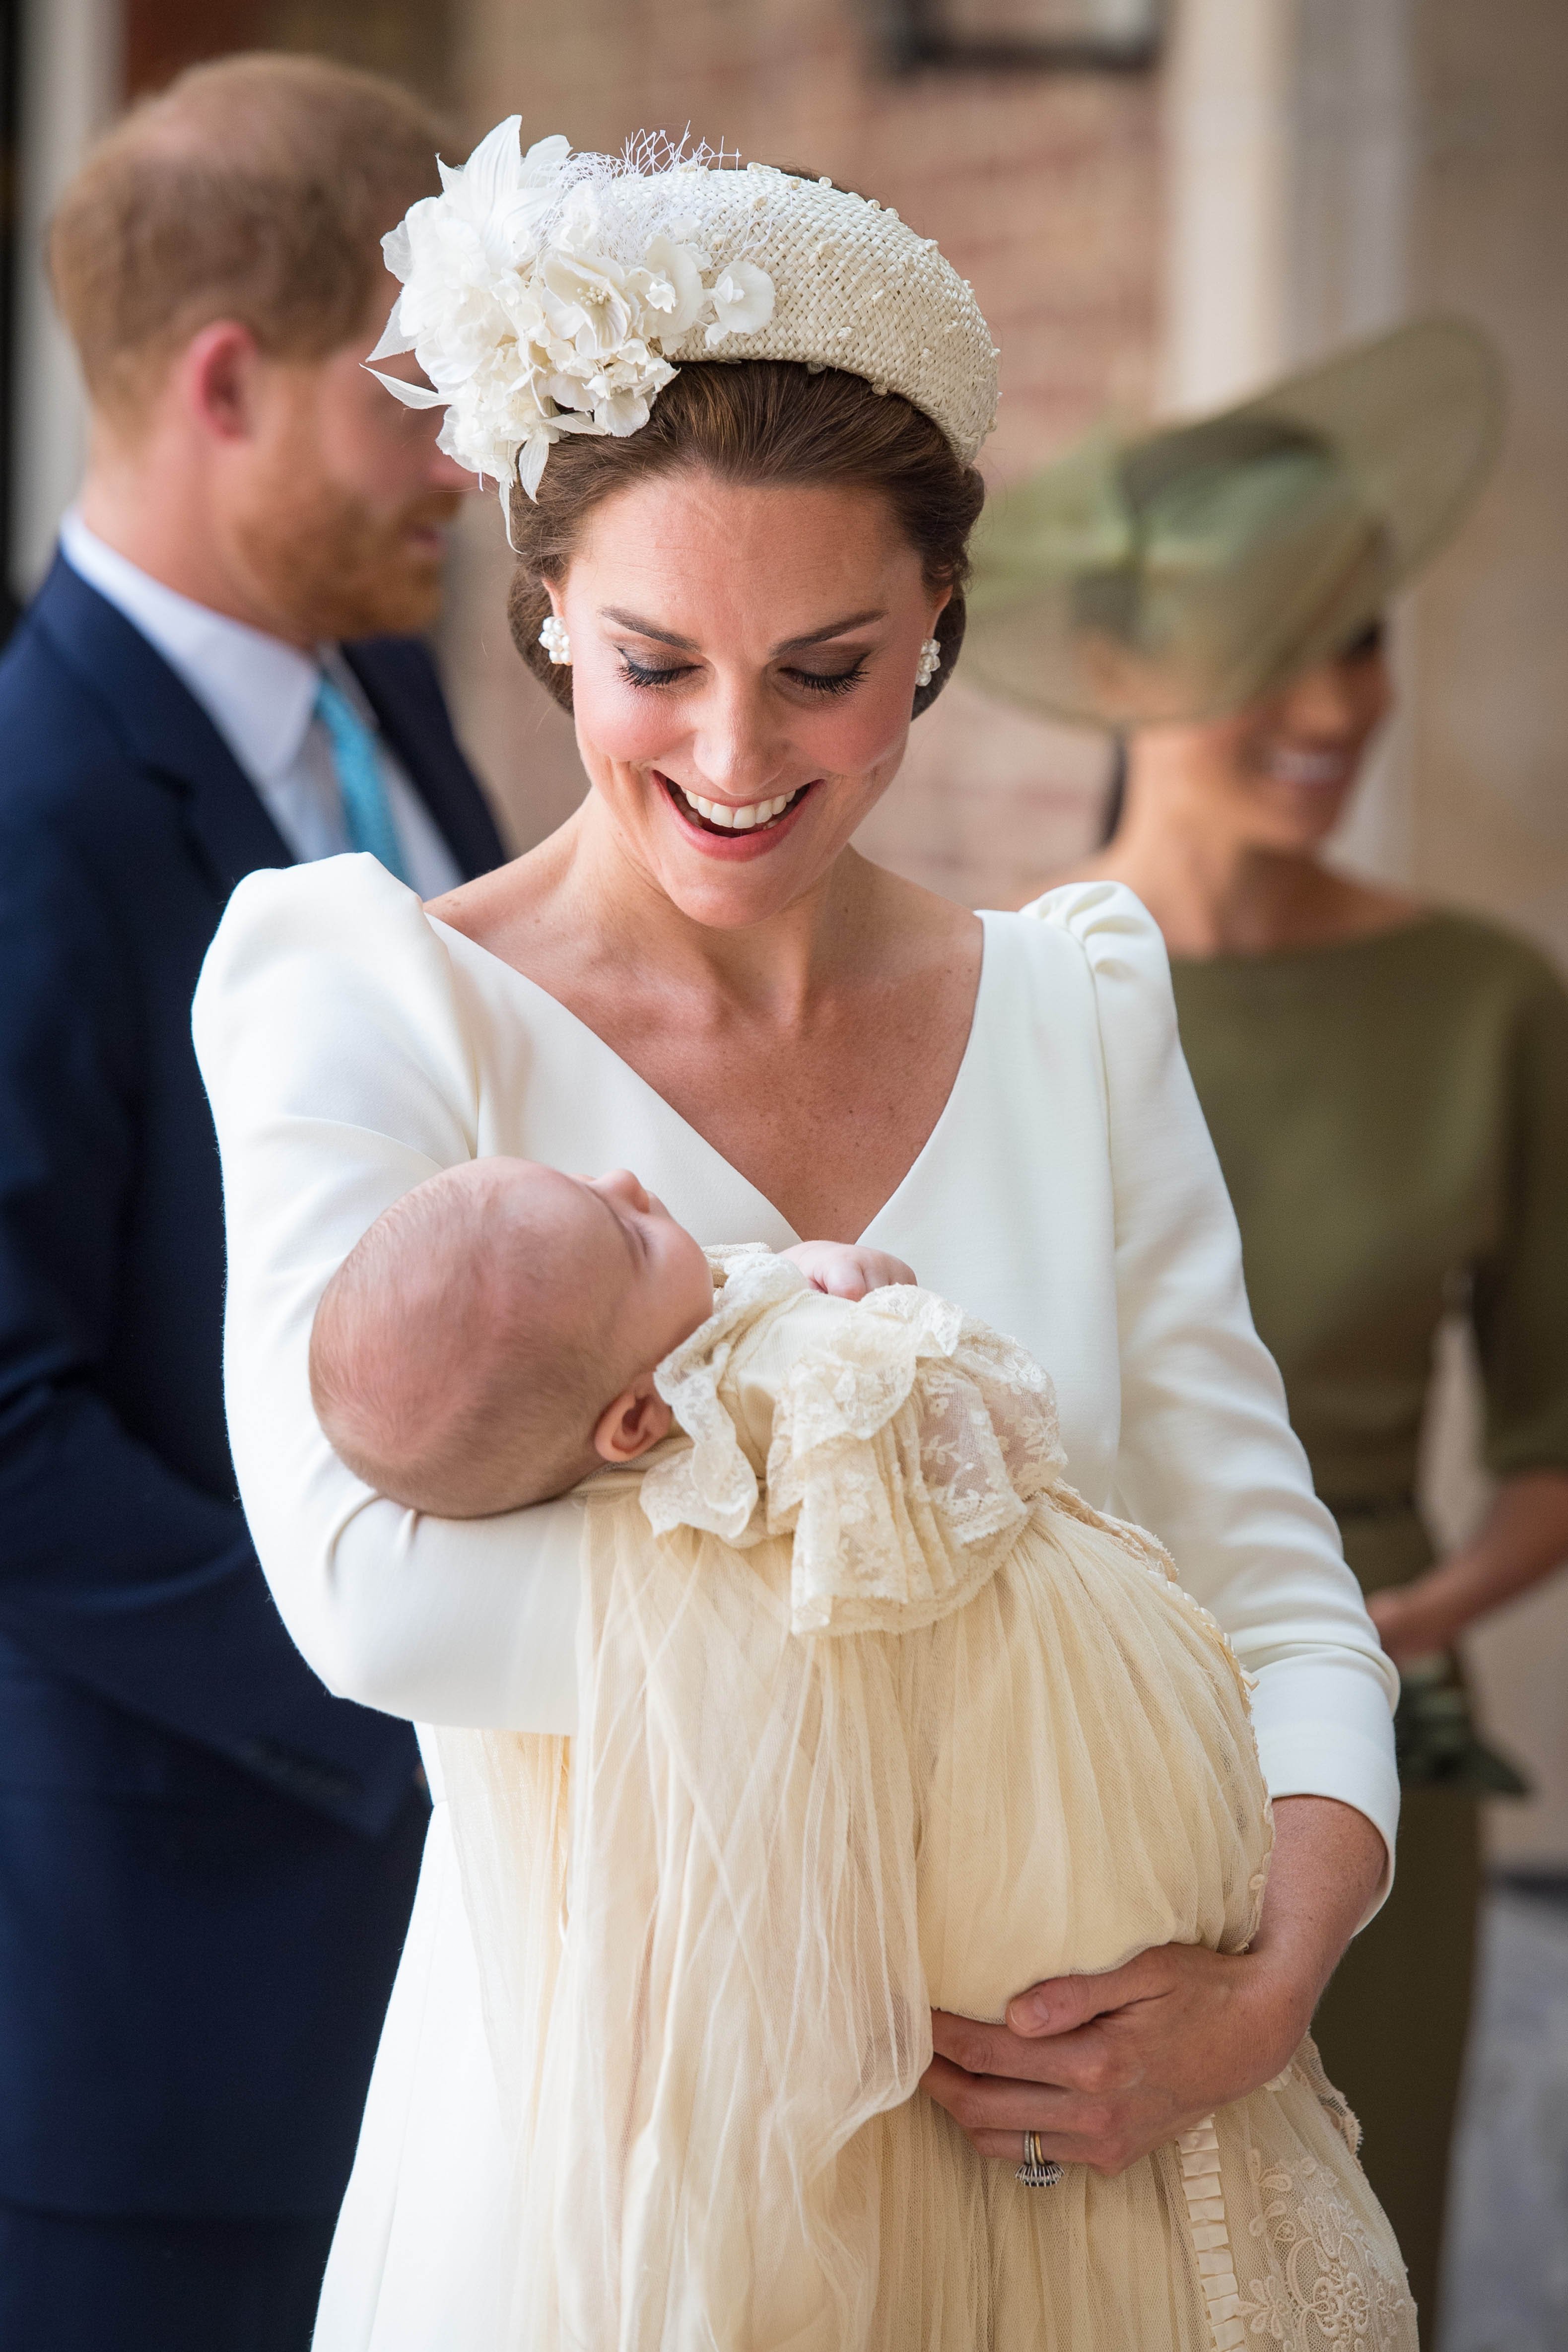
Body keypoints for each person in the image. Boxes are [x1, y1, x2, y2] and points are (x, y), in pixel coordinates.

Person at [194, 125, 1402, 2350]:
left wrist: (1266, 1986)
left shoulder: (1076, 1009)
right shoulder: (362, 993)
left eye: (827, 668)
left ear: (940, 623)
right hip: (605, 2187)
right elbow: (368, 1591)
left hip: (1087, 2174)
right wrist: (982, 1603)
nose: (735, 758)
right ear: (546, 600)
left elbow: (1277, 1586)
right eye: (654, 661)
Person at [297, 1157, 1413, 2344]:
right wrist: (854, 1319)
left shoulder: (689, 1357)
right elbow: (960, 1424)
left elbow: (1283, 1597)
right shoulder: (754, 1413)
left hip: (1138, 2005)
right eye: (624, 1231)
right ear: (631, 1422)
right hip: (982, 1960)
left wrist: (807, 1289)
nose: (629, 1176)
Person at [963, 318, 1568, 2330]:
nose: (1334, 701)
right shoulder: (997, 1000)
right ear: (1121, 672)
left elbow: (1558, 1441)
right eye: (1272, 640)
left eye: (1364, 635)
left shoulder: (1491, 1002)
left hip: (1368, 1767)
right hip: (1044, 1771)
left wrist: (1371, 1635)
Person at [0, 53, 506, 2352]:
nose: (466, 467)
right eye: (415, 396)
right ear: (225, 379)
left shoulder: (391, 685)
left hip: (475, 1971)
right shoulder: (30, 812)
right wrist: (422, 1693)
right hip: (181, 1996)